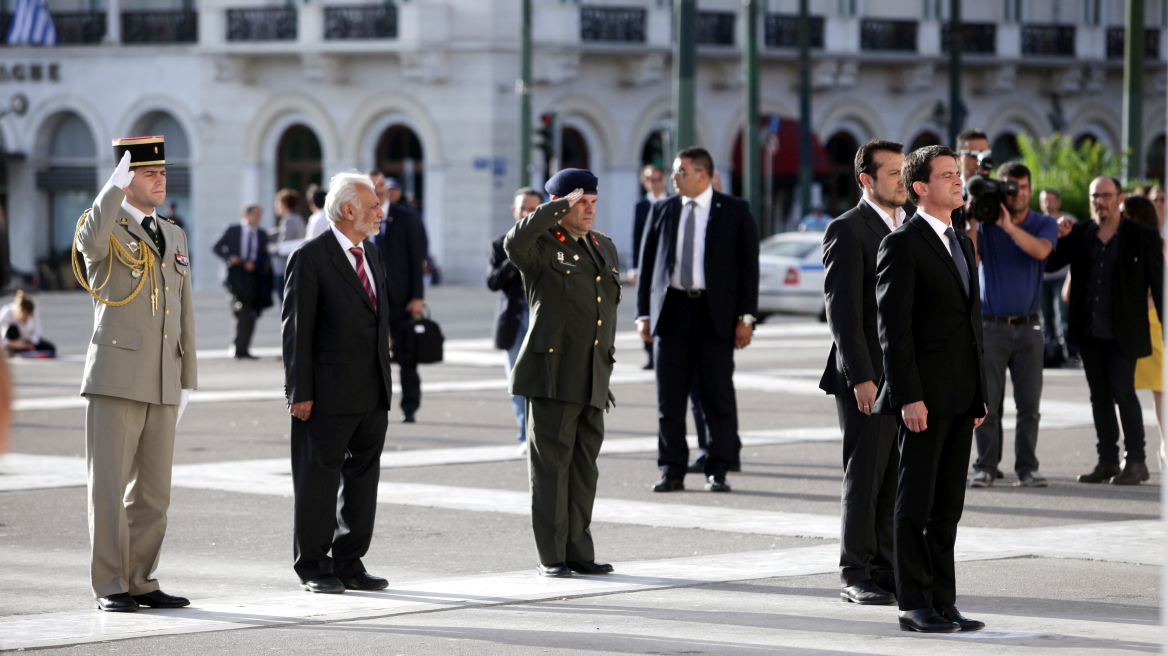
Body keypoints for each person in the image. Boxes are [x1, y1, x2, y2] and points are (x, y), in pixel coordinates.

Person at [74, 137, 197, 613]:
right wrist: (110, 190)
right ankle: (109, 582)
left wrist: (188, 377)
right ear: (127, 180)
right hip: (116, 376)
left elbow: (184, 311)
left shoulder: (175, 234)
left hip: (163, 378)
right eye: (149, 173)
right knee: (108, 488)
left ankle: (142, 579)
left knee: (152, 492)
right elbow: (88, 246)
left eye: (163, 172)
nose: (160, 179)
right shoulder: (102, 224)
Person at [874, 145, 987, 633]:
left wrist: (980, 393)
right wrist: (908, 396)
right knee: (914, 503)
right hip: (923, 398)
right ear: (921, 188)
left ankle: (943, 600)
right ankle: (913, 604)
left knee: (947, 507)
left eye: (956, 174)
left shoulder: (960, 241)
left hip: (962, 397)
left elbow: (971, 324)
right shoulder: (901, 243)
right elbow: (893, 331)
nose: (958, 182)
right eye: (947, 176)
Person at [504, 169, 620, 578]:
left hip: (592, 376)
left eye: (592, 202)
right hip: (553, 374)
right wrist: (555, 208)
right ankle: (551, 555)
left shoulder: (603, 246)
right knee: (551, 470)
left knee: (584, 469)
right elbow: (512, 242)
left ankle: (578, 550)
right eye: (579, 202)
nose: (587, 209)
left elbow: (604, 314)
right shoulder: (539, 246)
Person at [282, 171, 393, 594]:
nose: (380, 212)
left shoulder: (374, 256)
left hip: (372, 391)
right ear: (348, 211)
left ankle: (350, 562)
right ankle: (314, 565)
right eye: (372, 206)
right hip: (325, 394)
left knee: (363, 482)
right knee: (318, 483)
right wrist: (300, 392)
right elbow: (296, 331)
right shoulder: (310, 257)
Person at [636, 147, 760, 493]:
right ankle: (671, 469)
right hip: (672, 312)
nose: (673, 178)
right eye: (675, 172)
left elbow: (749, 270)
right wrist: (643, 314)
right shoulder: (663, 209)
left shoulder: (734, 210)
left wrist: (746, 318)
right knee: (669, 398)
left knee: (715, 396)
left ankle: (717, 467)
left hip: (714, 315)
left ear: (703, 174)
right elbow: (648, 265)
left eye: (680, 172)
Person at [819, 139, 907, 607]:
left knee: (894, 474)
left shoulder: (913, 225)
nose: (901, 179)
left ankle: (885, 569)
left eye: (904, 170)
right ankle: (855, 571)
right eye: (892, 172)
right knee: (865, 474)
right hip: (867, 375)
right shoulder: (847, 228)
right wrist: (860, 377)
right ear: (866, 180)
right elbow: (842, 312)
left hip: (905, 375)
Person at [1047, 176, 1164, 486]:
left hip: (1124, 332)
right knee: (1099, 397)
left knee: (1124, 394)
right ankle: (1107, 460)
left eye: (1106, 195)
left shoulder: (1143, 236)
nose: (1100, 201)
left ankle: (1136, 461)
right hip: (1089, 332)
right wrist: (1057, 235)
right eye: (1095, 196)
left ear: (1119, 198)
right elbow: (1050, 264)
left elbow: (1160, 289)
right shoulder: (1081, 233)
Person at [965, 163, 1059, 489]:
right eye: (1009, 187)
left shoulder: (1043, 222)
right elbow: (970, 259)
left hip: (1030, 329)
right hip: (991, 327)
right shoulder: (987, 222)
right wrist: (974, 217)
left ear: (1030, 190)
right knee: (987, 407)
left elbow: (1041, 250)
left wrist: (1008, 226)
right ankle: (985, 467)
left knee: (1029, 407)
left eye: (1021, 187)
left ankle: (1027, 469)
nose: (1015, 193)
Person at [370, 171, 427, 423]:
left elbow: (417, 260)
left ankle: (410, 407)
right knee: (369, 357)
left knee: (406, 356)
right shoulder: (358, 218)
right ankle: (373, 407)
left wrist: (417, 297)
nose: (377, 189)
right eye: (371, 186)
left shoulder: (406, 217)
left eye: (381, 185)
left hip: (401, 297)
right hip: (367, 298)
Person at [489, 187, 542, 453]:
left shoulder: (552, 241)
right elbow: (492, 282)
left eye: (534, 209)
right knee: (517, 381)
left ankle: (542, 434)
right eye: (523, 208)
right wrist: (514, 251)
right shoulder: (501, 243)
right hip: (513, 318)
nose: (527, 214)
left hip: (543, 318)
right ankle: (525, 436)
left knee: (544, 380)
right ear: (514, 210)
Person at [1121, 194, 1165, 471]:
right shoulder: (1118, 242)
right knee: (1124, 387)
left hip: (1151, 321)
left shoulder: (1158, 244)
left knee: (1160, 388)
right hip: (1135, 321)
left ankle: (1164, 445)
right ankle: (1135, 451)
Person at [212, 204, 274, 359]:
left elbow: (266, 256)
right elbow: (216, 247)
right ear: (246, 214)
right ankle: (238, 347)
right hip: (236, 275)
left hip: (254, 276)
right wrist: (230, 258)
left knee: (252, 310)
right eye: (256, 214)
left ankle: (244, 347)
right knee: (241, 309)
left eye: (260, 215)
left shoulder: (262, 234)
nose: (258, 218)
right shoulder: (233, 230)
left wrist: (256, 263)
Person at [632, 165, 667, 370]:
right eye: (650, 180)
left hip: (667, 266)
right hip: (648, 265)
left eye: (658, 179)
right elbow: (636, 237)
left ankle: (663, 352)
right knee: (645, 310)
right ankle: (650, 354)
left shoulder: (673, 201)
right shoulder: (641, 205)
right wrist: (635, 267)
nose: (655, 183)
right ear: (645, 183)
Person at [1038, 189, 1075, 367]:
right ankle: (1051, 354)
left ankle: (1070, 354)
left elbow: (1078, 251)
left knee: (1063, 316)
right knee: (1045, 318)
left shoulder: (1070, 221)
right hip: (1042, 278)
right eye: (1044, 200)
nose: (1047, 203)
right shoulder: (1036, 222)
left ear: (1058, 202)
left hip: (1062, 276)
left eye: (1050, 200)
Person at [271, 188, 306, 305]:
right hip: (294, 268)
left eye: (277, 203)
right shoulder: (299, 218)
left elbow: (283, 247)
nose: (276, 206)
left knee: (286, 306)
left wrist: (270, 248)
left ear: (284, 204)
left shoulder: (288, 220)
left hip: (284, 269)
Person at [0, 290, 56, 357]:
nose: (27, 318)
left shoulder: (33, 312)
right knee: (12, 329)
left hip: (27, 341)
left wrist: (30, 343)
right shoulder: (7, 312)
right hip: (12, 342)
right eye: (25, 316)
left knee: (51, 348)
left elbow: (38, 332)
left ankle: (26, 352)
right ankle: (13, 351)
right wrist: (12, 343)